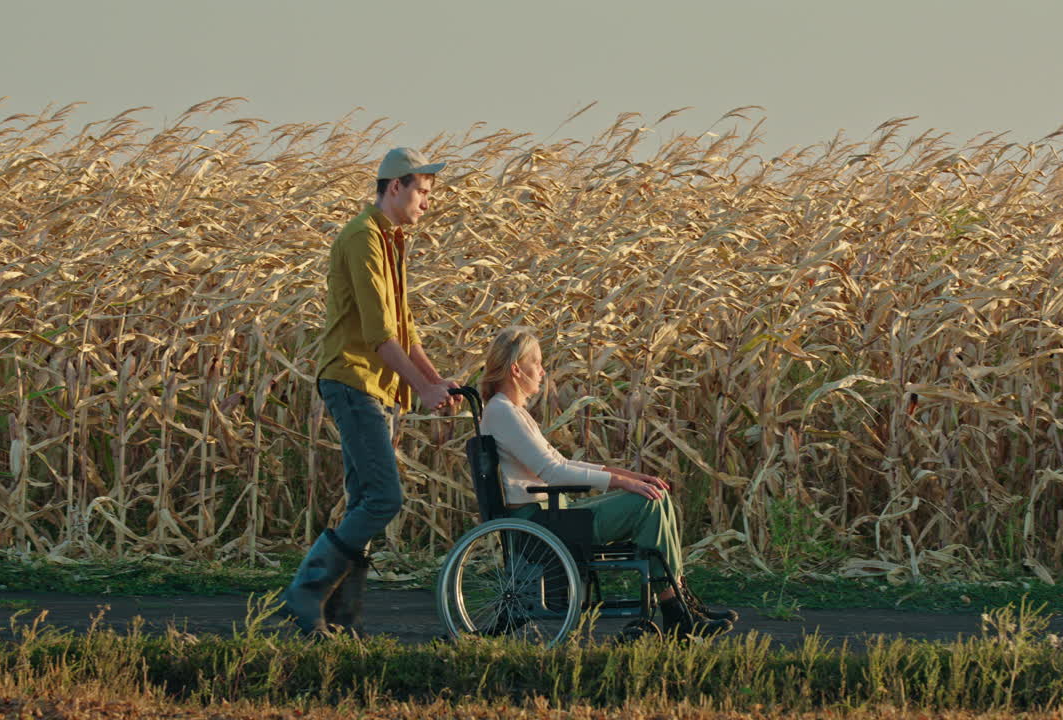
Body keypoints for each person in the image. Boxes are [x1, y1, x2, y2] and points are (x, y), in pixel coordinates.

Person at [282, 147, 460, 634]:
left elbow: (405, 329)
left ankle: (341, 617)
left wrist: (434, 380)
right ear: (395, 187)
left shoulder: (388, 239)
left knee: (365, 497)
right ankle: (306, 592)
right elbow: (380, 336)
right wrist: (422, 391)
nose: (427, 202)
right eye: (422, 191)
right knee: (384, 497)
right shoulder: (363, 237)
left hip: (368, 384)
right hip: (351, 378)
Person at [477, 326, 737, 637]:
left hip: (548, 514)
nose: (543, 371)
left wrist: (627, 476)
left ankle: (681, 603)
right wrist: (619, 482)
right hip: (539, 523)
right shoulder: (503, 412)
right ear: (516, 369)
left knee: (655, 494)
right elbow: (553, 472)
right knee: (647, 504)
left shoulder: (510, 411)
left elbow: (559, 462)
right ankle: (675, 612)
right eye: (537, 363)